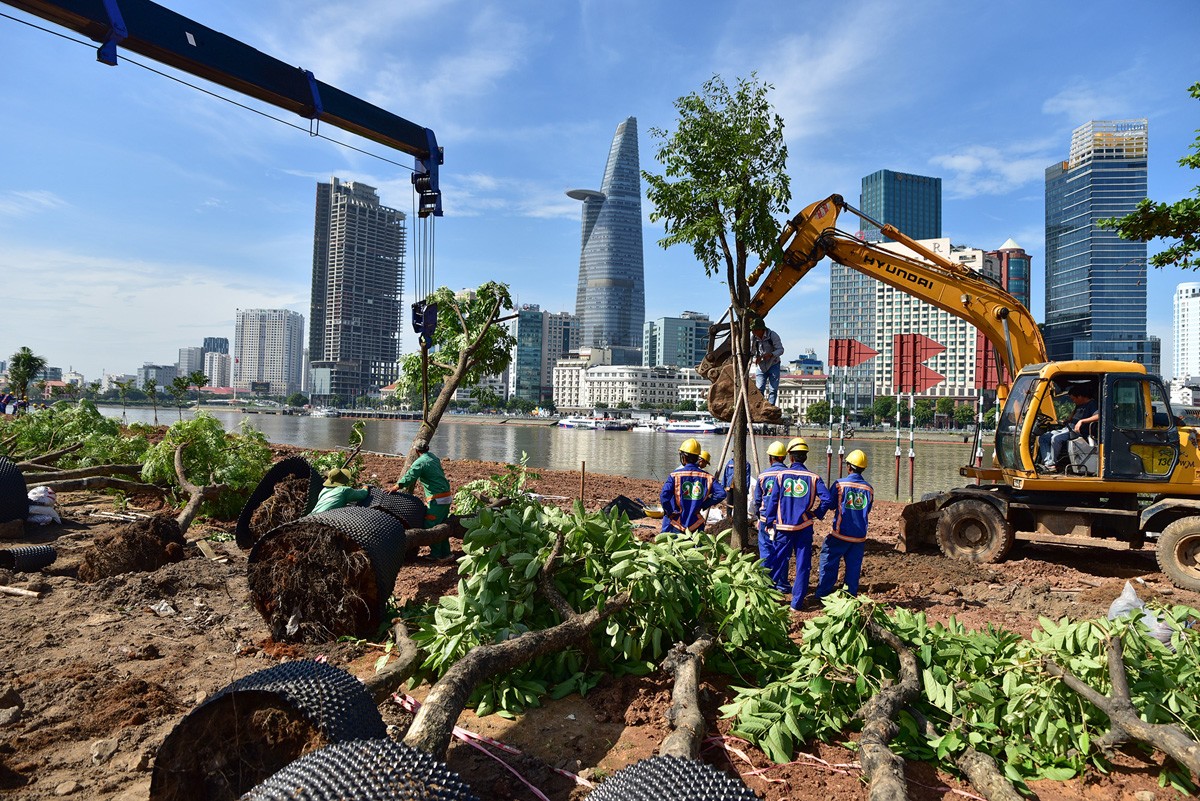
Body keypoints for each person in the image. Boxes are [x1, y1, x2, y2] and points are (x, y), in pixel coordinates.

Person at [763, 437, 833, 610]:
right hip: (804, 528)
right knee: (803, 565)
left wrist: (770, 521)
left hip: (783, 527)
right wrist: (816, 513)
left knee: (776, 562)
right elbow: (828, 500)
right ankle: (796, 603)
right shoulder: (814, 478)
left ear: (790, 457)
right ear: (805, 457)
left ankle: (769, 599)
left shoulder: (780, 476)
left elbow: (772, 501)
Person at [814, 450, 874, 602]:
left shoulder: (840, 484)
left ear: (848, 467)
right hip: (859, 536)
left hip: (840, 533)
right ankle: (850, 596)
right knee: (854, 568)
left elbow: (832, 504)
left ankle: (824, 593)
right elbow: (867, 509)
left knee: (828, 560)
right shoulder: (869, 489)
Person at [389, 438, 454, 559]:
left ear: (416, 451)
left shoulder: (420, 462)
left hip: (437, 498)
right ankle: (446, 553)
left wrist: (396, 487)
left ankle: (437, 555)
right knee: (442, 524)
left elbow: (410, 476)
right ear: (427, 448)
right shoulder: (433, 457)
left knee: (431, 525)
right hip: (447, 496)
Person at [660, 438, 726, 534]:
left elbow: (664, 496)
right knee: (695, 548)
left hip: (677, 521)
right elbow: (721, 493)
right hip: (696, 522)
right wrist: (705, 504)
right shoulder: (708, 477)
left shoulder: (675, 475)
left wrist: (670, 512)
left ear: (683, 457)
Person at [752, 441, 790, 589]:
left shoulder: (763, 476)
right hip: (783, 521)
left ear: (770, 458)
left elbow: (757, 500)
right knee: (782, 552)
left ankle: (765, 584)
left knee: (766, 551)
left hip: (765, 519)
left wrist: (758, 516)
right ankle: (782, 584)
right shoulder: (789, 475)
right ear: (784, 458)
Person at [1038, 384, 1099, 472]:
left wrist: (1082, 421)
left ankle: (1052, 464)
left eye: (1073, 398)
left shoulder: (1092, 404)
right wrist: (1066, 420)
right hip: (1068, 428)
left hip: (1078, 431)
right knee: (1044, 437)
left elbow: (1098, 416)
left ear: (1080, 396)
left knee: (1056, 438)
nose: (1073, 401)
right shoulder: (1079, 404)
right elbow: (1073, 416)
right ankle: (1048, 462)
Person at [750, 317, 785, 405]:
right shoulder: (753, 338)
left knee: (773, 389)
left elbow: (780, 350)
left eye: (755, 330)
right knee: (759, 388)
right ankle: (760, 406)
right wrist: (756, 358)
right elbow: (752, 352)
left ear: (761, 329)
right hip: (761, 366)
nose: (753, 332)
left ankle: (770, 407)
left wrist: (771, 354)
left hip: (774, 364)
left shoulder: (772, 335)